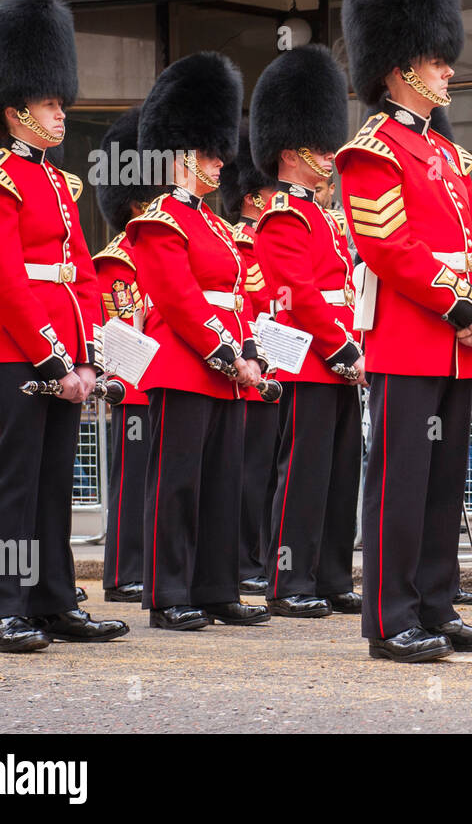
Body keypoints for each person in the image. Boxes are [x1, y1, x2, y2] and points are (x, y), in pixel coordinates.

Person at [337, 0, 472, 663]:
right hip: (410, 338)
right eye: (437, 60)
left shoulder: (446, 156)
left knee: (442, 486)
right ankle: (390, 615)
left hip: (456, 346)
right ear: (402, 65)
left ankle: (434, 605)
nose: (448, 70)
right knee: (400, 485)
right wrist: (462, 305)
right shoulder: (372, 151)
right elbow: (389, 248)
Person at [0, 0, 126, 651]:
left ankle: (54, 598)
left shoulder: (59, 184)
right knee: (12, 482)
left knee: (55, 480)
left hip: (60, 348)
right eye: (52, 103)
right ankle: (2, 606)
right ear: (15, 107)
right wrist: (53, 357)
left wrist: (87, 354)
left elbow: (80, 273)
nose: (62, 113)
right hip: (13, 350)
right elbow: (4, 277)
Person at [127, 51, 270, 631]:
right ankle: (167, 593)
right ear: (183, 153)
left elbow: (237, 299)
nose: (218, 164)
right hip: (186, 368)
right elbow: (178, 299)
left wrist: (251, 353)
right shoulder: (162, 218)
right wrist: (224, 354)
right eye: (208, 154)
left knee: (221, 485)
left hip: (228, 370)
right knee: (177, 485)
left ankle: (215, 588)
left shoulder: (214, 224)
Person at [251, 43, 363, 618]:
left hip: (341, 359)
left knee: (341, 475)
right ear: (294, 153)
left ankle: (333, 576)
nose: (330, 154)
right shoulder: (283, 215)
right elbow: (296, 293)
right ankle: (290, 580)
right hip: (310, 360)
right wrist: (339, 345)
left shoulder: (322, 214)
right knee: (303, 473)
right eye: (321, 146)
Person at [93, 105, 159, 604]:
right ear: (137, 206)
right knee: (131, 484)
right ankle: (121, 571)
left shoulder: (158, 249)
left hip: (166, 384)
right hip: (135, 387)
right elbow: (123, 322)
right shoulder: (118, 259)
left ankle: (151, 568)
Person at [216, 130, 281, 596]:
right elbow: (250, 307)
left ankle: (260, 554)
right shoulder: (242, 244)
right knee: (248, 472)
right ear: (257, 196)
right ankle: (242, 559)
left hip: (280, 369)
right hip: (253, 367)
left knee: (269, 472)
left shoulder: (273, 239)